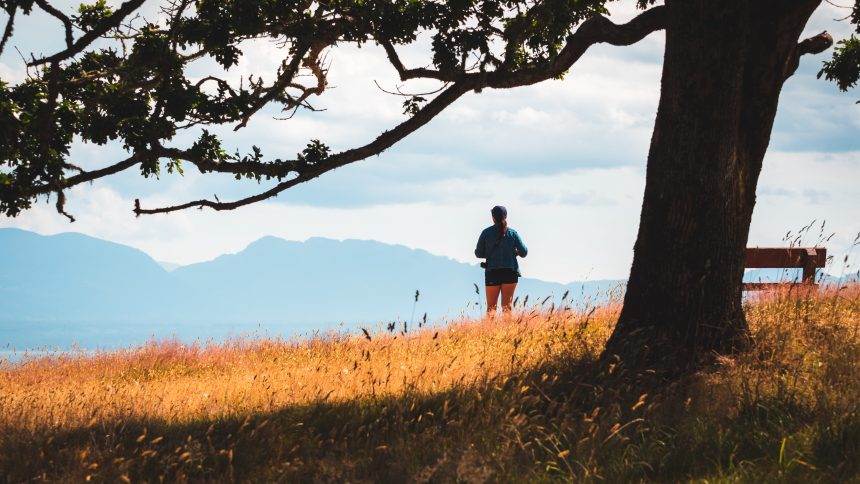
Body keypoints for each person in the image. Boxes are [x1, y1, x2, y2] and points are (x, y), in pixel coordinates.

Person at [475, 205, 528, 314]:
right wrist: (514, 253)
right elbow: (524, 252)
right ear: (506, 216)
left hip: (492, 273)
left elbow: (478, 253)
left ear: (493, 217)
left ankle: (489, 331)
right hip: (510, 272)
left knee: (491, 308)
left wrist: (490, 254)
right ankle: (509, 331)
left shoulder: (486, 233)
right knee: (507, 308)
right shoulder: (512, 233)